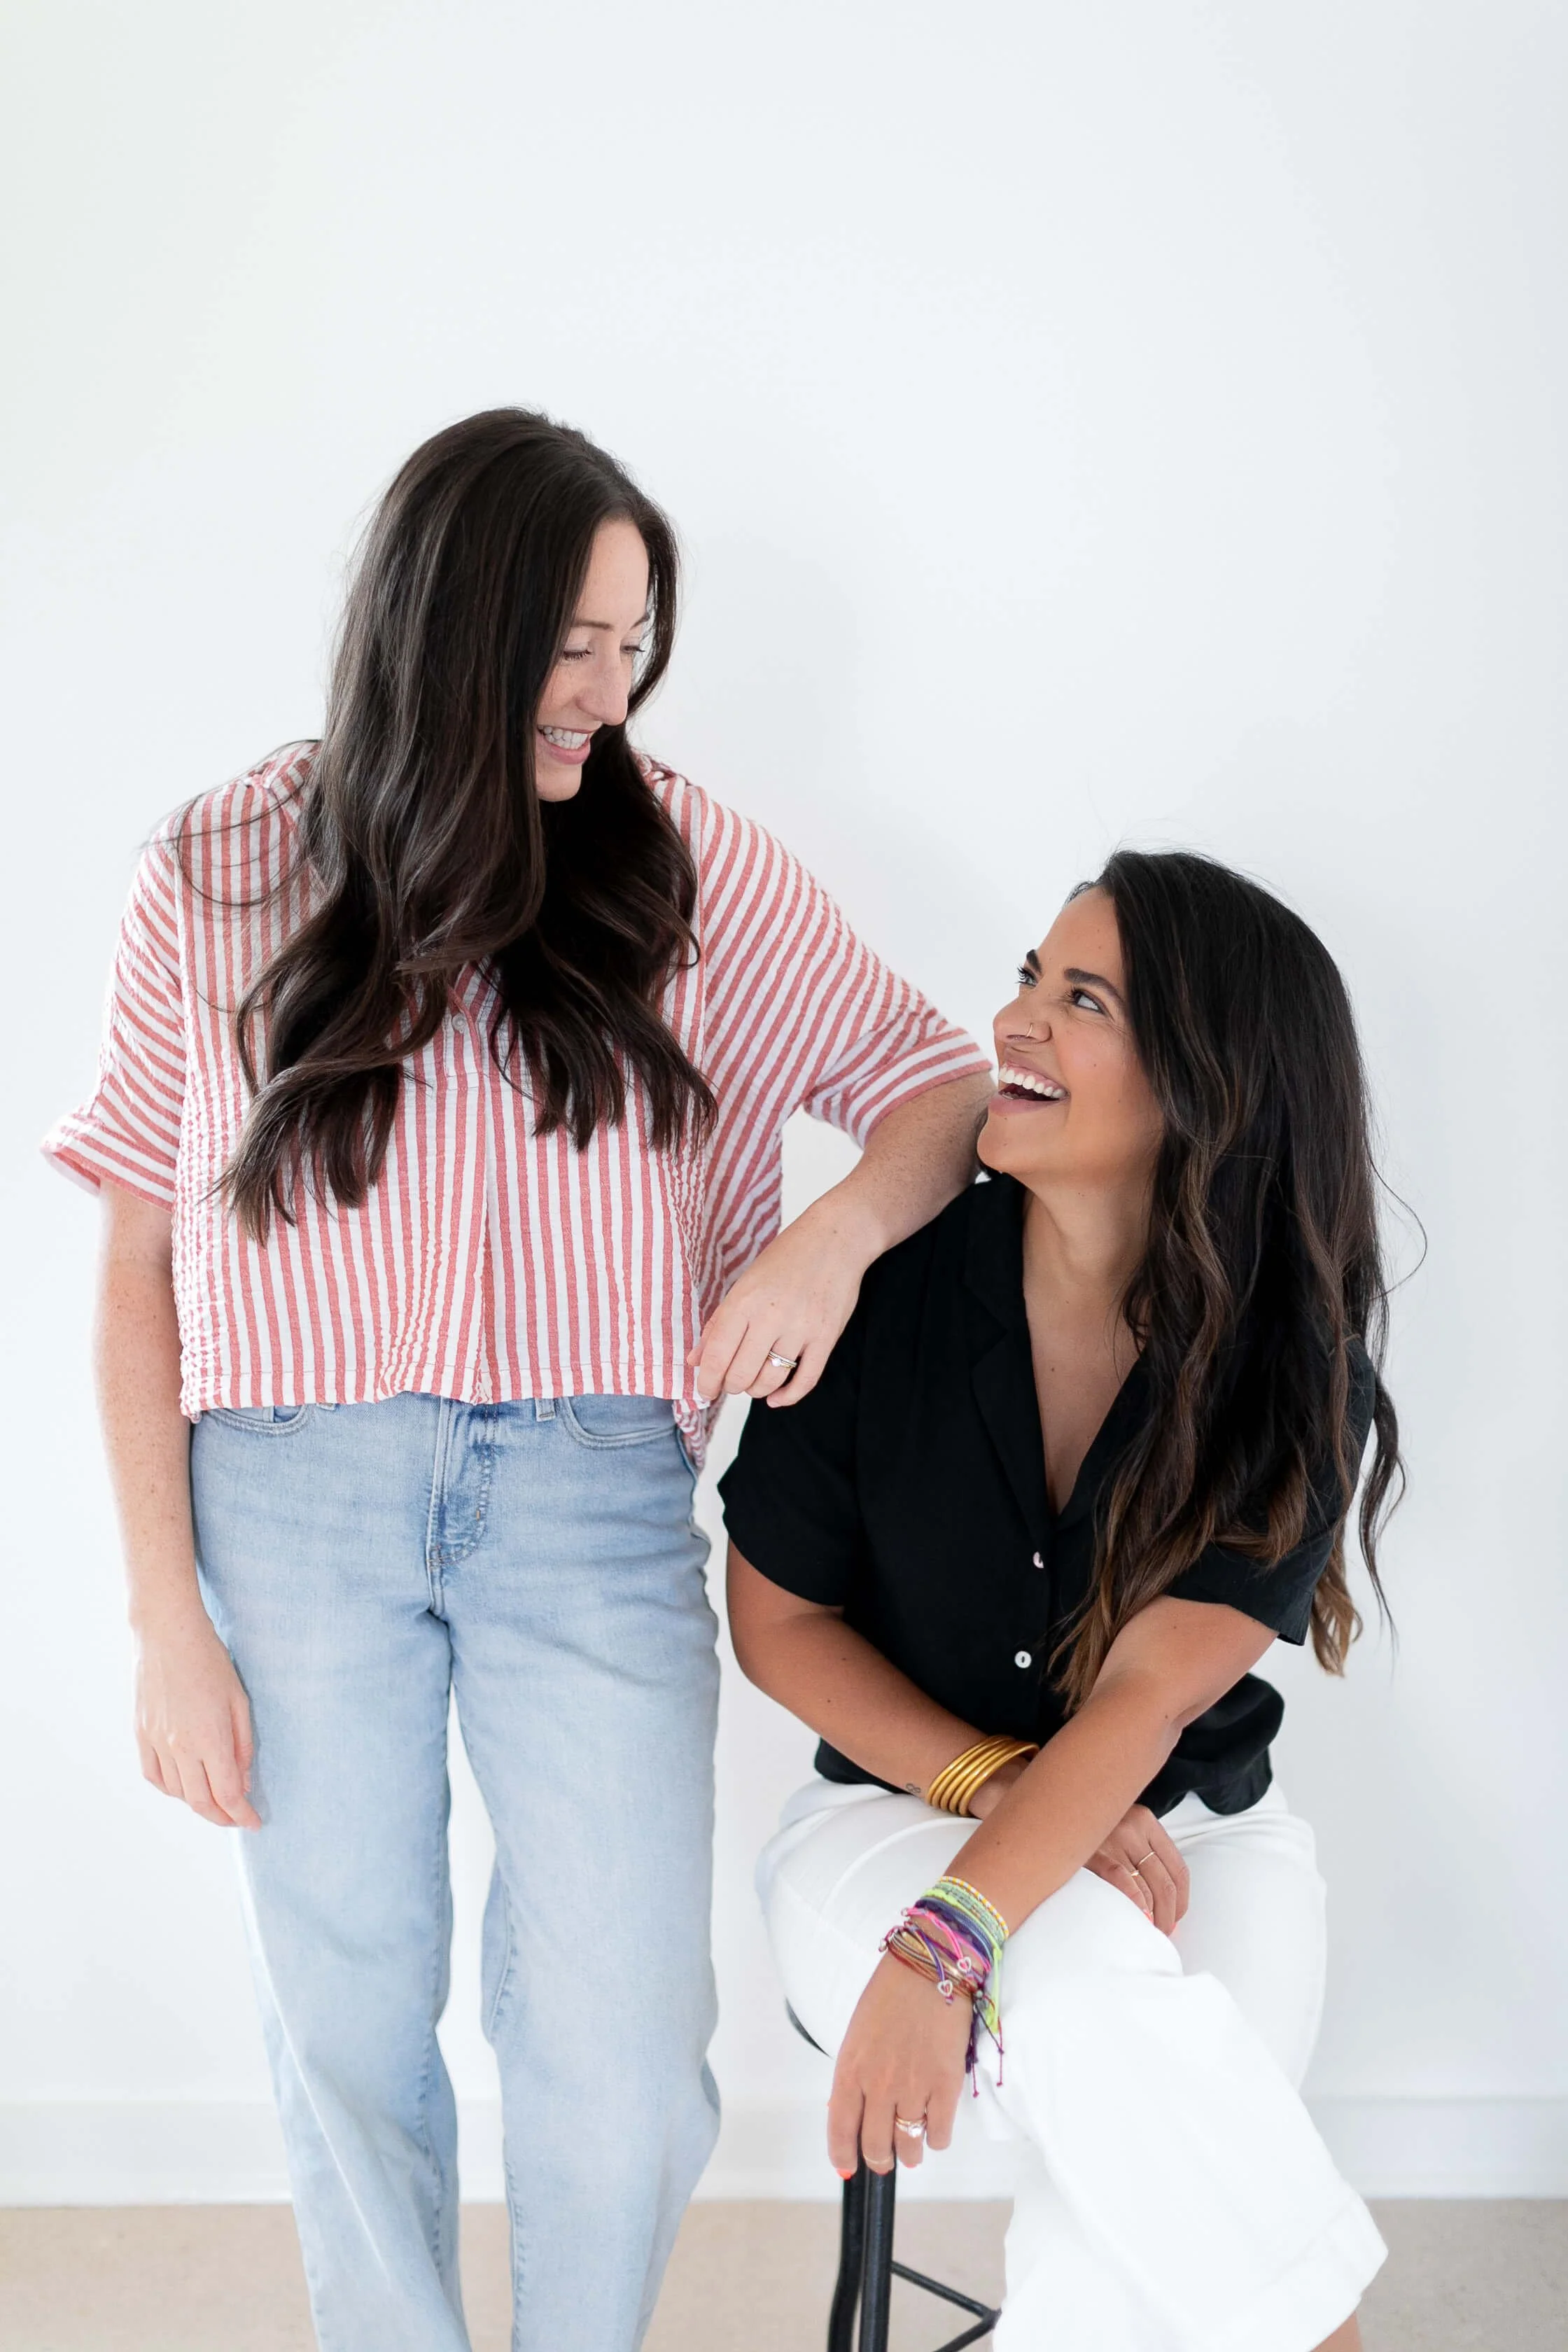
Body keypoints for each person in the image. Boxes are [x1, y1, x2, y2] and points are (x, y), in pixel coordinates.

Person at [44, 408, 993, 2352]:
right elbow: (135, 1253)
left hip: (590, 1492)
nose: (608, 691)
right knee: (345, 2015)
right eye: (573, 642)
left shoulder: (684, 858)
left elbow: (936, 1084)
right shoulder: (220, 869)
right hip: (289, 1492)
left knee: (627, 2040)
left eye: (634, 645)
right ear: (444, 625)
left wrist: (827, 1242)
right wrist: (164, 1618)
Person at [720, 850, 1402, 2351]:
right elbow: (775, 1621)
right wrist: (974, 1865)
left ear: (1202, 1085)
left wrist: (956, 1935)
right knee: (1089, 1988)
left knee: (1132, 2217)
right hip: (889, 1822)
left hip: (1193, 1838)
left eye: (1079, 997)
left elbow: (1149, 1696)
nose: (1013, 1020)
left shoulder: (1289, 1368)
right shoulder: (886, 1297)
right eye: (1029, 976)